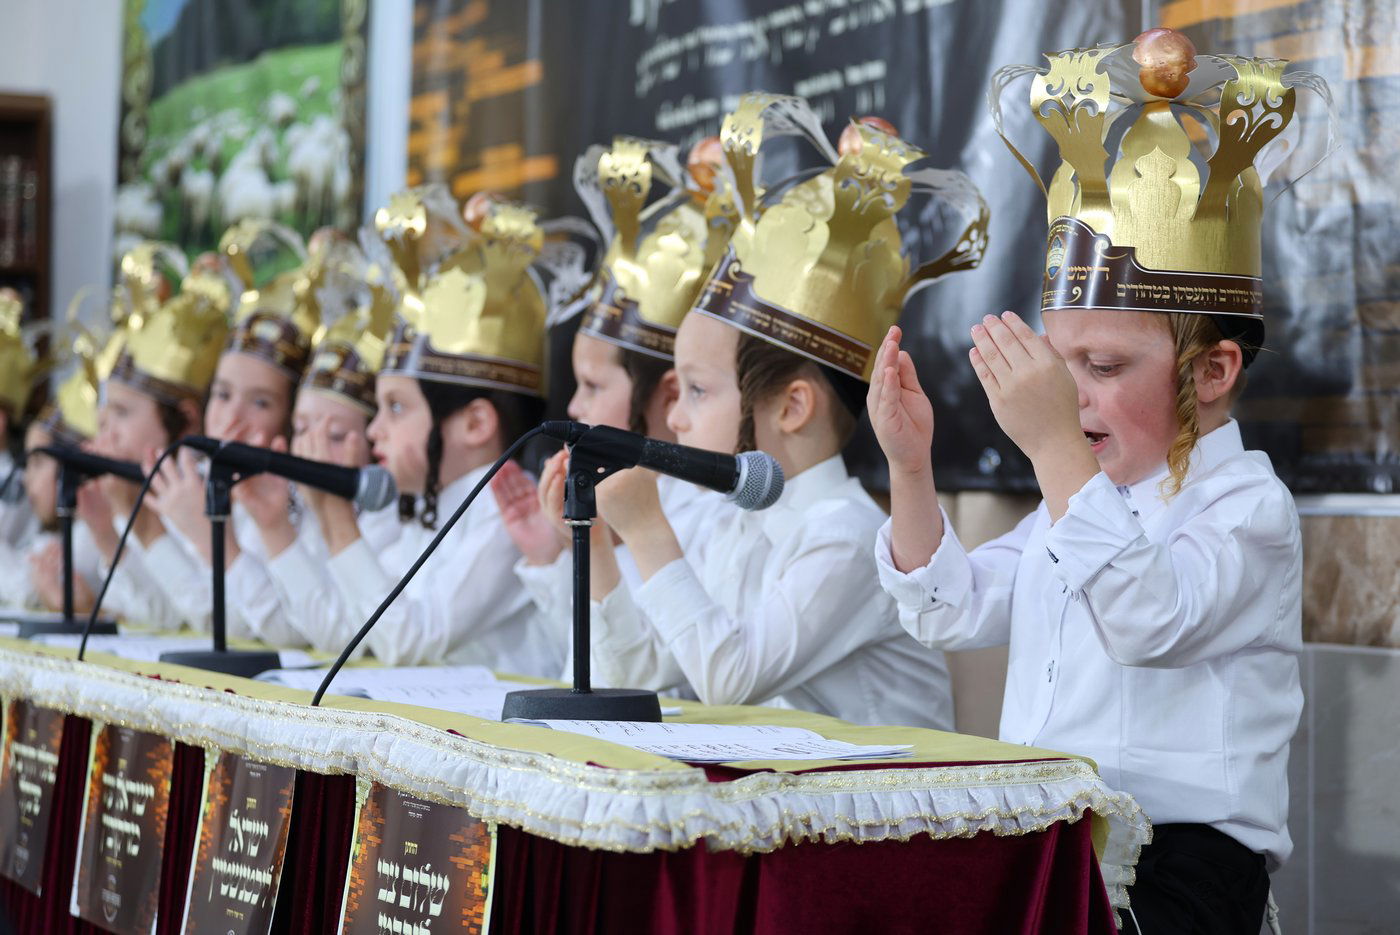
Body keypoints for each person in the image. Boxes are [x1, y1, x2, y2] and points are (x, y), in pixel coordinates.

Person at [874, 32, 1323, 930]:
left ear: (1212, 370)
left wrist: (1054, 452)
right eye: (1058, 360)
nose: (1067, 393)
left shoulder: (1248, 509)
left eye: (1105, 364)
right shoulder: (1071, 503)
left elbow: (1148, 619)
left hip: (1182, 872)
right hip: (1050, 843)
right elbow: (951, 609)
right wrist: (912, 466)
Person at [584, 95, 987, 728]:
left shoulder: (846, 536)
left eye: (697, 391)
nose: (678, 420)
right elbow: (641, 679)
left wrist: (646, 531)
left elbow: (730, 679)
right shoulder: (731, 524)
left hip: (879, 818)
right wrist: (597, 548)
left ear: (793, 405)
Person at [491, 135, 731, 683]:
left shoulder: (709, 518)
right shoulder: (649, 505)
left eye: (594, 385)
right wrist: (553, 552)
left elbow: (635, 682)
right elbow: (587, 664)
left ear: (670, 396)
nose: (574, 405)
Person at [297, 187, 556, 673]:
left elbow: (406, 641)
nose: (375, 430)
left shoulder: (506, 513)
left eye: (395, 408)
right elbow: (340, 630)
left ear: (476, 424)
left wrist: (336, 517)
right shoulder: (430, 506)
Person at [244, 231, 403, 650]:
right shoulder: (307, 511)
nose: (310, 450)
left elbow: (337, 636)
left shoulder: (388, 522)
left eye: (334, 435)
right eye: (301, 429)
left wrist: (330, 511)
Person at [75, 242, 226, 630]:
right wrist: (110, 525)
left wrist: (138, 520)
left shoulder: (212, 487)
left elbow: (198, 617)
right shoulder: (127, 489)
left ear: (187, 420)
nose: (106, 432)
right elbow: (144, 612)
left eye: (122, 414)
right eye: (104, 417)